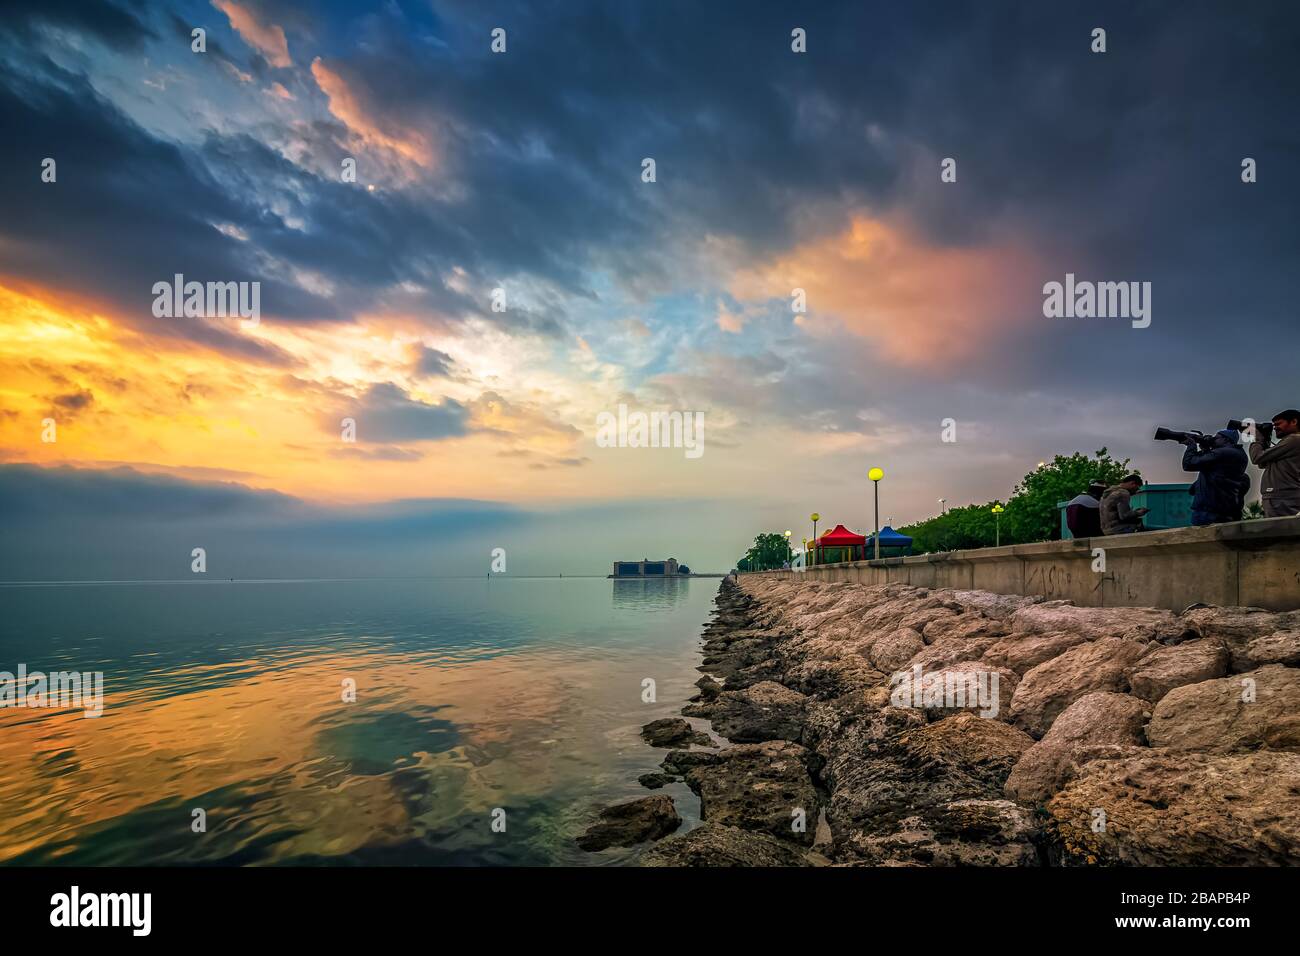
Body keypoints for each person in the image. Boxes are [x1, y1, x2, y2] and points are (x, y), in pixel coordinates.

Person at [1181, 429, 1250, 525]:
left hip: (1209, 512)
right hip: (1226, 511)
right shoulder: (1239, 454)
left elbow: (1189, 464)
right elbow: (1216, 473)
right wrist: (1206, 449)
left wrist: (1191, 446)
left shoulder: (1221, 453)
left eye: (1216, 438)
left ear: (1226, 439)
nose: (1213, 440)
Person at [1248, 409, 1300, 518]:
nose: (1275, 428)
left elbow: (1257, 457)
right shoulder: (1290, 441)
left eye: (1278, 424)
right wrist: (1265, 441)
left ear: (1294, 422)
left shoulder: (1294, 439)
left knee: (1281, 532)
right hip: (1285, 496)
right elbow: (1263, 463)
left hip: (1283, 497)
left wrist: (1257, 439)